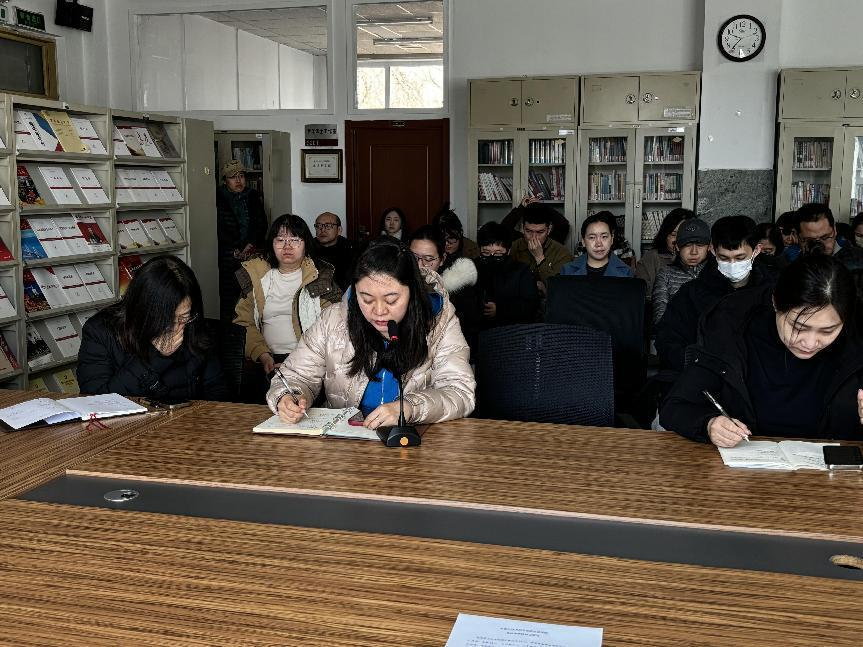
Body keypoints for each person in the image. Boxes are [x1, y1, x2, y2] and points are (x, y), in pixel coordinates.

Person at [266, 238, 475, 429]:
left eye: (391, 300)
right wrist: (288, 396)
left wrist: (410, 408)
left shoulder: (439, 321)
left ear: (412, 292)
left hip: (414, 441)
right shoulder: (333, 319)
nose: (379, 311)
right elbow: (296, 375)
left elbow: (460, 392)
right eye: (366, 299)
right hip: (344, 443)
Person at [660, 255, 863, 446]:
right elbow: (675, 407)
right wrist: (709, 424)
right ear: (775, 302)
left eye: (827, 331)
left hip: (832, 467)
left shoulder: (857, 342)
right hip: (745, 464)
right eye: (798, 327)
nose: (810, 343)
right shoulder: (731, 328)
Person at [77, 256, 226, 401]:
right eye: (166, 320)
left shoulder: (193, 325)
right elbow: (96, 402)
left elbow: (218, 393)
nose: (176, 328)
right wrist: (154, 358)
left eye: (183, 317)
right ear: (144, 311)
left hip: (189, 416)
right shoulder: (100, 331)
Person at [655, 216, 777, 388]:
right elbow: (667, 339)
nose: (732, 264)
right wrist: (694, 361)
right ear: (712, 250)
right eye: (724, 258)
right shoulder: (692, 293)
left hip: (761, 383)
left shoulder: (774, 293)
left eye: (740, 257)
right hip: (704, 382)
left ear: (756, 250)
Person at [234, 214, 342, 397]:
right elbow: (243, 322)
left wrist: (298, 361)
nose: (287, 246)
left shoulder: (321, 276)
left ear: (306, 244)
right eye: (280, 240)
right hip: (265, 359)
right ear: (271, 244)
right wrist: (263, 355)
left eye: (295, 240)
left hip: (310, 361)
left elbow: (334, 323)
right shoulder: (257, 276)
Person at [409, 225, 481, 357]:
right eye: (413, 257)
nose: (419, 265)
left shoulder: (458, 289)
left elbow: (466, 337)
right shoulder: (396, 283)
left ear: (442, 259)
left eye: (428, 259)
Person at [216, 160, 268, 322]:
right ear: (225, 180)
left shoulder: (252, 196)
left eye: (241, 176)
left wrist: (249, 245)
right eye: (233, 177)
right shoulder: (218, 197)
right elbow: (218, 228)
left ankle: (250, 329)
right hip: (227, 255)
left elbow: (261, 224)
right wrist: (234, 249)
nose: (238, 180)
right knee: (229, 297)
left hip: (251, 253)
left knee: (252, 295)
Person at [476, 222, 541, 328]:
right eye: (486, 252)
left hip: (511, 330)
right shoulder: (472, 268)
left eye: (498, 253)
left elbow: (531, 305)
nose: (492, 257)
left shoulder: (522, 271)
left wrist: (500, 309)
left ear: (508, 251)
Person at [795, 203, 863, 297]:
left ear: (834, 230)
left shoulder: (858, 261)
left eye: (825, 237)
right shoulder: (792, 265)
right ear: (798, 237)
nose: (819, 246)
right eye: (810, 241)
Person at [651, 218, 710, 324]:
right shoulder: (665, 275)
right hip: (675, 332)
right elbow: (660, 318)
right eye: (687, 245)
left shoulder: (718, 273)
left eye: (700, 245)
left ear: (709, 247)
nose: (694, 252)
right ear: (677, 246)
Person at [508, 202, 574, 287]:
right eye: (528, 231)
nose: (534, 237)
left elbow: (560, 287)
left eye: (540, 232)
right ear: (523, 228)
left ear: (549, 230)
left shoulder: (561, 253)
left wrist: (540, 258)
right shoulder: (513, 248)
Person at [636, 208, 694, 298]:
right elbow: (642, 296)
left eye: (684, 235)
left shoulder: (699, 258)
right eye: (674, 235)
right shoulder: (651, 258)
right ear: (665, 235)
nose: (679, 240)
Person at [561, 211, 634, 278]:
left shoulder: (626, 272)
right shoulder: (567, 271)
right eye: (592, 237)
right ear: (583, 242)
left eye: (604, 237)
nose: (599, 244)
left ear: (612, 239)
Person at [310, 211, 354, 290]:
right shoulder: (308, 248)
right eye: (319, 226)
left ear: (339, 230)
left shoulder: (350, 249)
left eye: (328, 226)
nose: (322, 230)